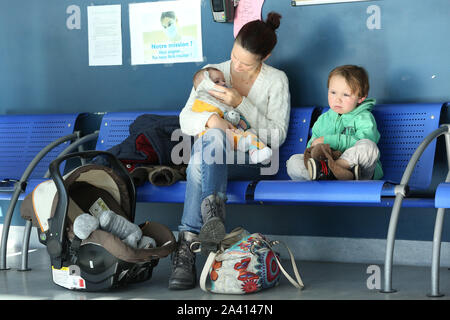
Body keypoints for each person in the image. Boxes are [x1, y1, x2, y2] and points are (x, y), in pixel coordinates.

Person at [169, 12, 290, 290]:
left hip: (255, 159)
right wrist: (212, 121)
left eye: (245, 63)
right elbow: (186, 120)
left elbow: (278, 135)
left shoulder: (277, 80)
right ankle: (213, 216)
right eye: (234, 56)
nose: (235, 66)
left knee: (199, 164)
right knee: (211, 142)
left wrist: (241, 102)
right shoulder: (211, 73)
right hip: (213, 152)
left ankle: (186, 250)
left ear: (266, 57)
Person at [286, 65, 383, 181]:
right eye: (333, 92)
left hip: (358, 172)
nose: (338, 99)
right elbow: (312, 149)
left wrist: (328, 140)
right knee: (293, 162)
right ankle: (325, 173)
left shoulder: (365, 118)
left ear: (361, 98)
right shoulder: (323, 120)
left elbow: (360, 142)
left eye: (345, 94)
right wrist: (314, 148)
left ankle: (334, 170)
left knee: (369, 147)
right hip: (324, 165)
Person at [191, 67, 273, 164]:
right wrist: (213, 119)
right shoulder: (201, 103)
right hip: (214, 140)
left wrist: (241, 121)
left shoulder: (226, 101)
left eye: (223, 81)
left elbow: (235, 117)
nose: (223, 83)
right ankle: (242, 143)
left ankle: (255, 152)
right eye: (217, 82)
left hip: (234, 135)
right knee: (213, 136)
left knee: (251, 134)